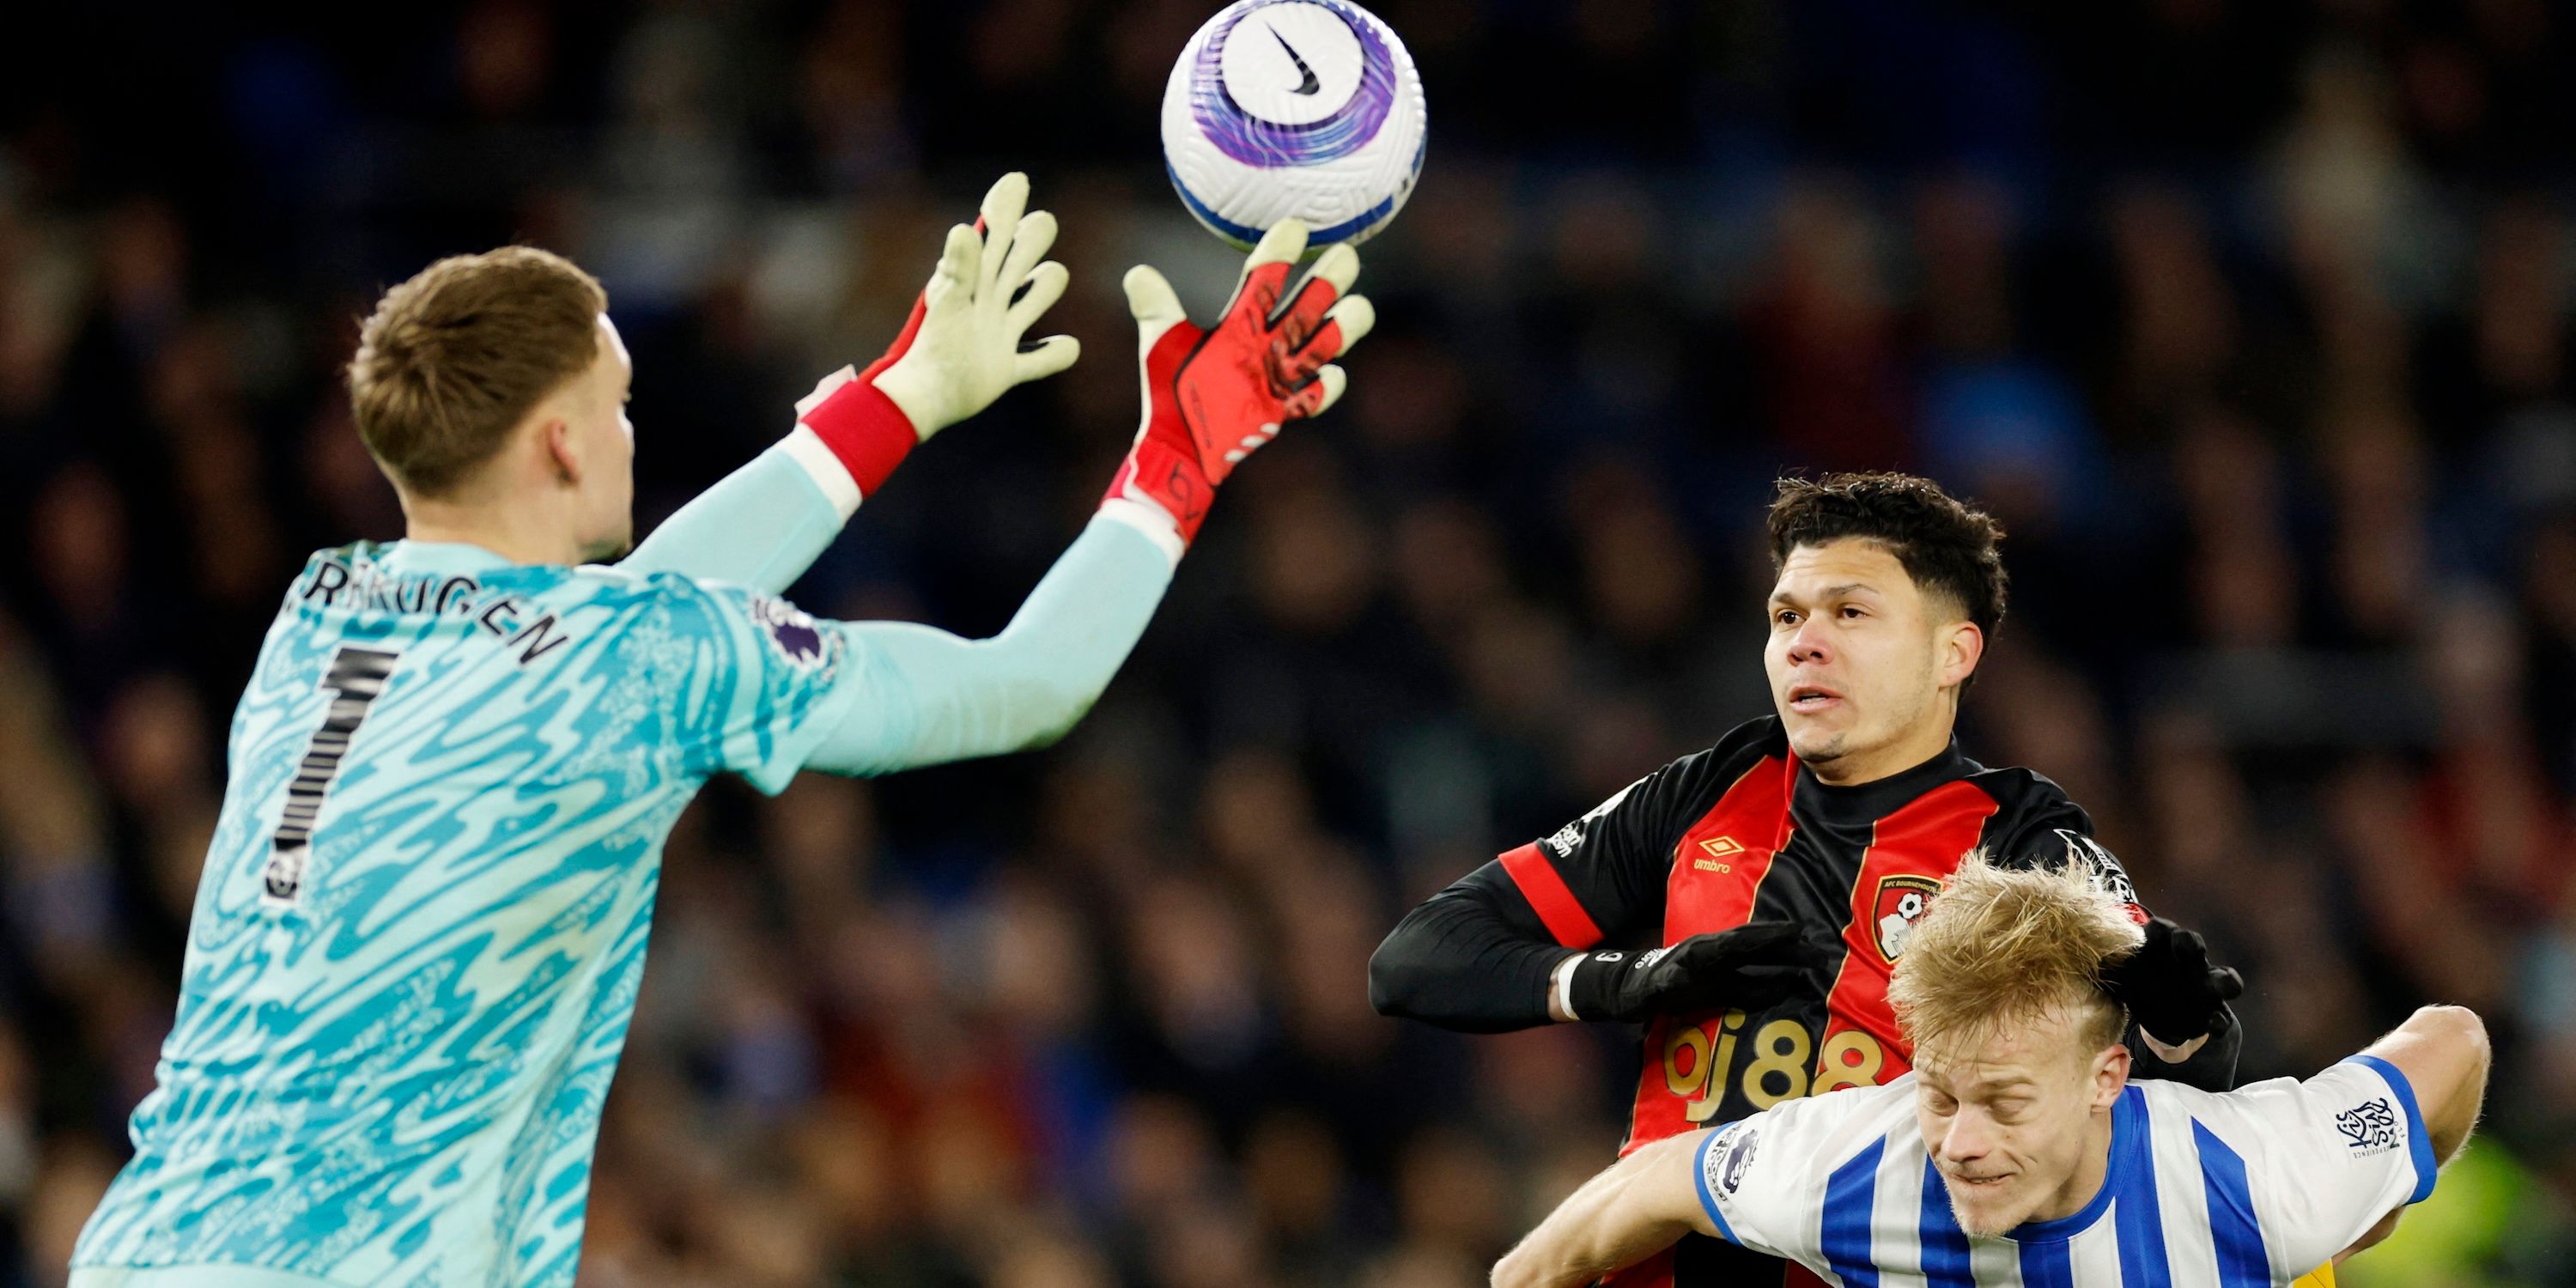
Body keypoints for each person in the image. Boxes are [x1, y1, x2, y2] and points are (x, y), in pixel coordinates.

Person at [68, 174, 1375, 1288]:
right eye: (622, 406)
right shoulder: (640, 664)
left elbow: (630, 620)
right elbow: (1026, 683)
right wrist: (1180, 462)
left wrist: (900, 398)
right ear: (563, 444)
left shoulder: (327, 610)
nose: (636, 438)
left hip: (143, 1247)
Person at [1370, 472, 2246, 1288]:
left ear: (1954, 654)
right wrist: (1629, 980)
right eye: (1786, 617)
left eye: (1850, 613)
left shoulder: (2020, 837)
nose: (1806, 645)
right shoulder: (1709, 790)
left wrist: (2178, 1030)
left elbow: (2179, 1090)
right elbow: (1414, 959)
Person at [1492, 854, 2489, 1288]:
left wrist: (2361, 1224)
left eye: (2007, 1102)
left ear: (2106, 1078)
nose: (1961, 1144)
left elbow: (2452, 1043)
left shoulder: (2262, 1184)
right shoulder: (1851, 1166)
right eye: (1941, 1094)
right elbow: (1655, 1183)